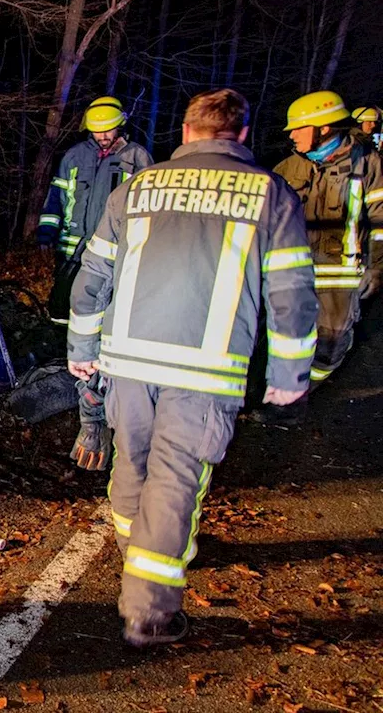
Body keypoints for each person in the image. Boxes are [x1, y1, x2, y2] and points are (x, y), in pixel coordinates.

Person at [67, 89, 317, 646]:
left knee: (132, 459)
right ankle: (149, 610)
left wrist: (81, 352)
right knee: (176, 478)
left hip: (127, 359)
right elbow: (292, 295)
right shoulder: (270, 195)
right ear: (243, 136)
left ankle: (140, 547)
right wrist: (288, 380)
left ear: (185, 133)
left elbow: (92, 280)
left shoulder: (137, 188)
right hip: (205, 370)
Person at [38, 97, 154, 472]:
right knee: (64, 312)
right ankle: (67, 361)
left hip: (115, 257)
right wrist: (47, 229)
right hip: (73, 252)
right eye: (96, 131)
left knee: (105, 315)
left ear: (121, 125)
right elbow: (57, 198)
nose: (102, 137)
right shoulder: (74, 157)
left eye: (108, 130)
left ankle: (99, 380)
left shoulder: (138, 159)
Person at [272, 92, 383, 400]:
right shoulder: (288, 168)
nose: (292, 134)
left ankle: (306, 389)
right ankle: (278, 394)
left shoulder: (368, 164)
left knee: (332, 342)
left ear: (324, 128)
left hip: (340, 274)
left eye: (298, 127)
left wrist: (376, 267)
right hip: (292, 270)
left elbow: (380, 222)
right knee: (281, 335)